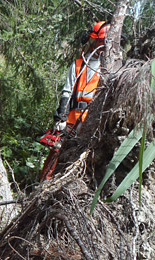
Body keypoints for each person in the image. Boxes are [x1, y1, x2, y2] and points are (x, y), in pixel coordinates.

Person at [40, 21, 110, 181]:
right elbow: (67, 91)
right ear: (93, 40)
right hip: (71, 120)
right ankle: (43, 185)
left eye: (104, 42)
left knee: (84, 159)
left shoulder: (108, 69)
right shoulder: (78, 65)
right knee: (55, 153)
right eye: (100, 41)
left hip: (92, 123)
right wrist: (61, 118)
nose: (102, 45)